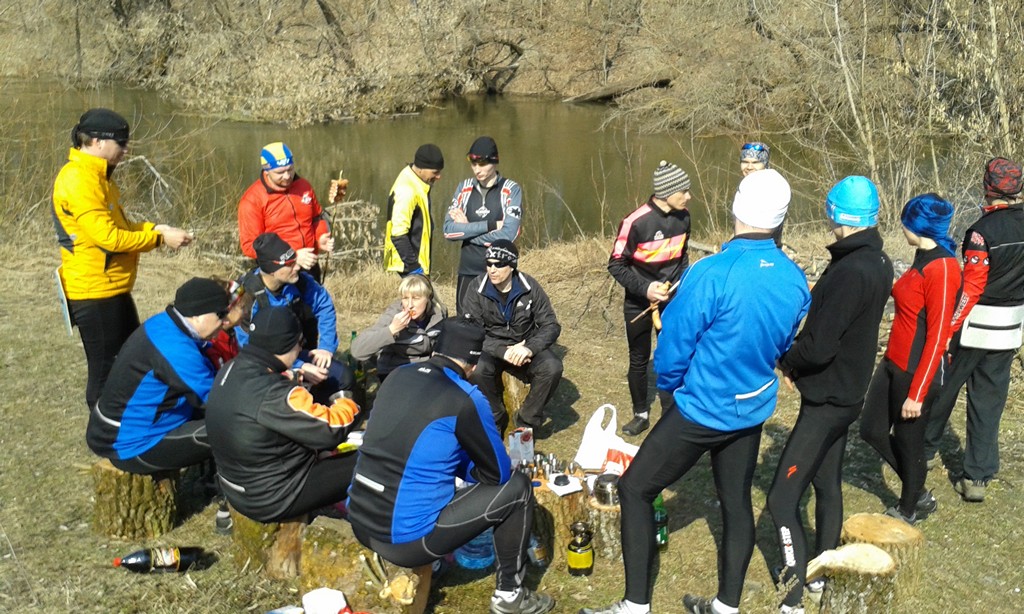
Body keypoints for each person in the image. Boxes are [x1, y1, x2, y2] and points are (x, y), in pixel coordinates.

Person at [580, 169, 810, 614]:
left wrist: (671, 390)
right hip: (752, 407)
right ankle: (726, 605)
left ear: (737, 207)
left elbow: (671, 349)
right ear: (780, 218)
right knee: (736, 503)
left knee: (635, 489)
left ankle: (635, 605)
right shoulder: (794, 277)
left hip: (703, 407)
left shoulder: (711, 271)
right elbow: (784, 342)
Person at [347, 318, 555, 614]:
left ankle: (434, 563)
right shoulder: (465, 396)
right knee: (517, 487)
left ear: (436, 349)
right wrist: (465, 465)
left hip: (360, 521)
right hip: (405, 542)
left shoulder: (397, 375)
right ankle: (510, 595)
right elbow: (497, 473)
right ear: (473, 365)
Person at [767, 176, 894, 612]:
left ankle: (794, 592)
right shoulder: (878, 260)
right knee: (826, 482)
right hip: (848, 394)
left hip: (828, 400)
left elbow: (820, 345)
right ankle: (822, 572)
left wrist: (788, 361)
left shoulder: (850, 270)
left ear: (837, 214)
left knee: (781, 499)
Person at [52, 107, 193, 409]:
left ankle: (123, 426)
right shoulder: (79, 181)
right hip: (93, 292)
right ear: (98, 142)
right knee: (105, 373)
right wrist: (159, 239)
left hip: (112, 288)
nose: (126, 150)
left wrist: (156, 229)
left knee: (129, 362)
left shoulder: (100, 177)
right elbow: (109, 239)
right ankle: (103, 430)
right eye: (121, 143)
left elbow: (122, 228)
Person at [924, 157, 1024, 502]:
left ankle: (922, 451)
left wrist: (949, 327)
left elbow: (972, 287)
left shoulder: (981, 232)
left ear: (987, 187)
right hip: (1011, 326)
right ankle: (977, 477)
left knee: (944, 388)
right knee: (989, 401)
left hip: (975, 325)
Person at [205, 306, 360, 522]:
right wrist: (345, 399)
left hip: (237, 485)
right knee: (371, 462)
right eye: (300, 343)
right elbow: (333, 428)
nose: (301, 349)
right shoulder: (276, 393)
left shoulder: (231, 368)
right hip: (274, 497)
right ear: (286, 345)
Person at [860, 193, 960, 525]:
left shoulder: (943, 268)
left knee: (908, 441)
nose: (901, 227)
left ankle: (908, 509)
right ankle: (917, 492)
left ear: (917, 226)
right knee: (871, 430)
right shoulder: (922, 256)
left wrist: (917, 394)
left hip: (917, 371)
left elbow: (938, 336)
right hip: (893, 362)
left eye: (905, 222)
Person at [85, 278, 228, 474]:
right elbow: (217, 401)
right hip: (131, 445)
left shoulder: (163, 323)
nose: (225, 322)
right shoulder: (177, 350)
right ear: (196, 314)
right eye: (220, 314)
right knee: (236, 430)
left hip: (111, 432)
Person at [608, 160, 692, 437]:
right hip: (639, 302)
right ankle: (641, 414)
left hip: (671, 301)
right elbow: (616, 265)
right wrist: (646, 289)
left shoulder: (684, 217)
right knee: (639, 359)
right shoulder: (635, 222)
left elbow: (682, 258)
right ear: (667, 192)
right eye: (684, 191)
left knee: (672, 356)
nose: (689, 196)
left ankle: (670, 415)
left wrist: (677, 287)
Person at [236, 232, 352, 403]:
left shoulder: (300, 281)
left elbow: (324, 305)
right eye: (290, 265)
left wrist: (326, 347)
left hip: (298, 351)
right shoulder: (247, 298)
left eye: (295, 260)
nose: (297, 267)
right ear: (272, 271)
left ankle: (325, 411)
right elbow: (247, 348)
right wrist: (299, 366)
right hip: (266, 366)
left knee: (344, 377)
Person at [463, 240, 563, 434]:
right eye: (488, 264)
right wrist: (502, 351)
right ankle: (495, 417)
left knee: (552, 368)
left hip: (524, 345)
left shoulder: (529, 286)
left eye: (499, 264)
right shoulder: (476, 287)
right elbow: (471, 331)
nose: (492, 269)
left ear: (512, 266)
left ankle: (526, 422)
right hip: (490, 347)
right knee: (476, 369)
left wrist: (530, 348)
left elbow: (551, 325)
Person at [237, 142, 341, 282]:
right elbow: (250, 246)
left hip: (309, 265)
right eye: (280, 172)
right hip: (279, 274)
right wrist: (292, 257)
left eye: (290, 169)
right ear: (266, 171)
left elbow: (316, 218)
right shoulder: (252, 200)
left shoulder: (304, 186)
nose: (287, 176)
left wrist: (320, 238)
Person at [443, 136, 523, 314]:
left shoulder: (511, 189)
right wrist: (491, 225)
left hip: (501, 271)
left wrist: (467, 230)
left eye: (482, 164)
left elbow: (509, 235)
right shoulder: (464, 188)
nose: (477, 169)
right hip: (468, 271)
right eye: (473, 164)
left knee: (499, 324)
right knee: (465, 324)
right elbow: (448, 231)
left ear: (494, 161)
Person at [350, 274, 448, 380]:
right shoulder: (393, 315)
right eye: (405, 298)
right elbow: (357, 350)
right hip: (396, 370)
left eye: (416, 298)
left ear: (428, 298)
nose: (410, 305)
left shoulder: (439, 313)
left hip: (428, 368)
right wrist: (392, 329)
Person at [383, 143, 444, 277]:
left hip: (412, 266)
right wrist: (414, 269)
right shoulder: (407, 191)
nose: (439, 176)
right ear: (421, 168)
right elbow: (398, 235)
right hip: (407, 268)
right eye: (435, 172)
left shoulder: (417, 182)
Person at [739, 141, 784, 248]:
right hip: (744, 246)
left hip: (765, 247)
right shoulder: (745, 187)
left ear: (765, 164)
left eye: (755, 162)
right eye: (745, 162)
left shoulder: (771, 188)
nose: (749, 167)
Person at [204, 278, 249, 369]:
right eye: (242, 307)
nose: (246, 312)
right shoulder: (213, 343)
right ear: (227, 310)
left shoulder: (230, 334)